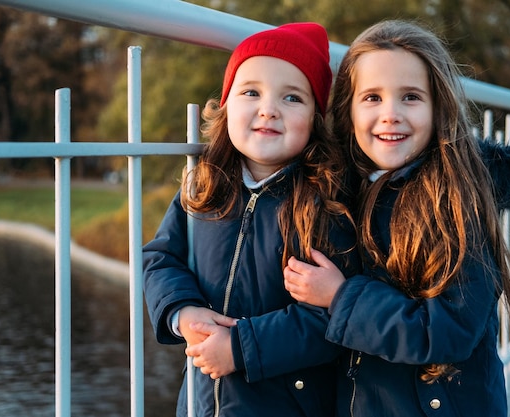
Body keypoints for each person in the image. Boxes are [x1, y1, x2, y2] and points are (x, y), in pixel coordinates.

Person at [283, 19, 510, 416]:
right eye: (372, 98)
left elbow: (448, 331)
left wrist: (341, 297)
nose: (391, 114)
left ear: (438, 108)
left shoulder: (456, 204)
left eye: (411, 97)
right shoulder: (340, 196)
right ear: (346, 109)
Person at [143, 22, 360, 417]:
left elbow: (330, 320)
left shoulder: (325, 202)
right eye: (251, 92)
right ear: (226, 106)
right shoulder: (206, 185)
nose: (268, 109)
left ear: (315, 117)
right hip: (201, 402)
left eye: (292, 97)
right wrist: (181, 312)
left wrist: (241, 348)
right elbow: (160, 257)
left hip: (287, 404)